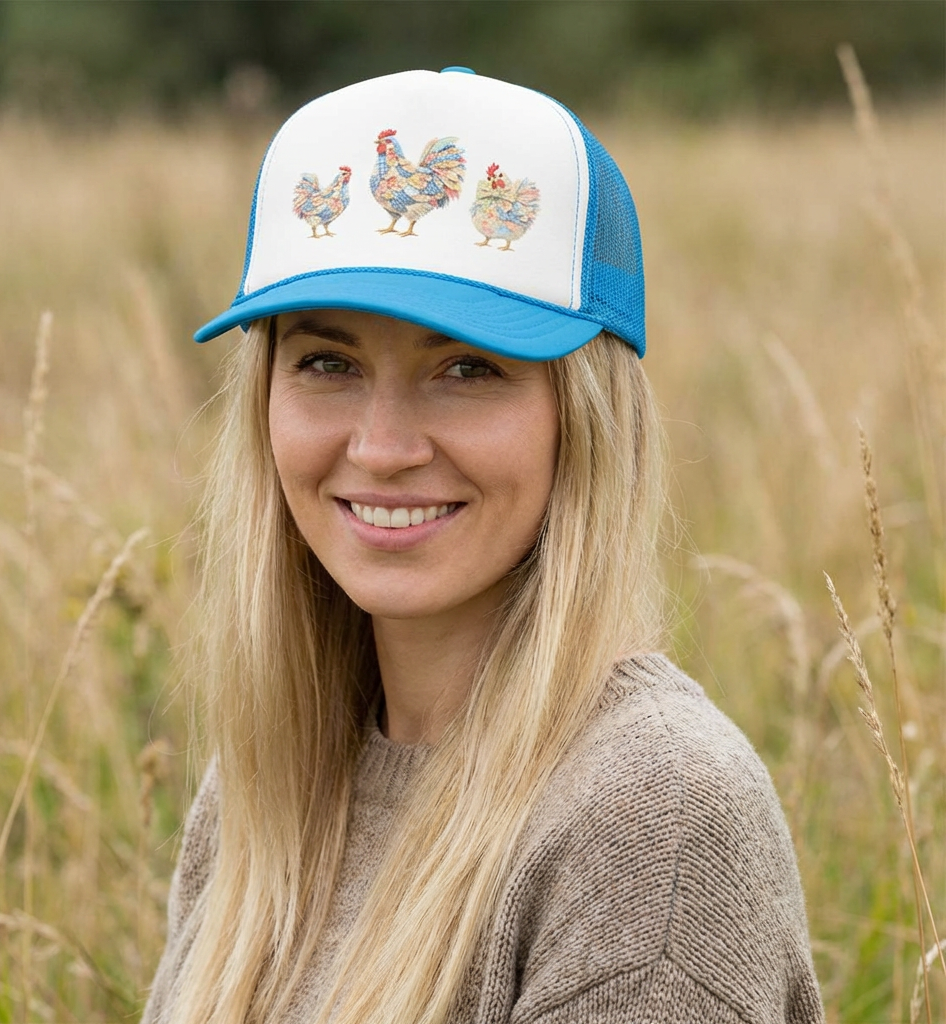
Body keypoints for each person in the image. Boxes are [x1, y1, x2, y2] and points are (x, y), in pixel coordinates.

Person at [143, 68, 825, 1023]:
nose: (382, 448)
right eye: (327, 363)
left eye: (468, 368)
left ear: (584, 417)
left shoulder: (653, 818)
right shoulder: (271, 774)